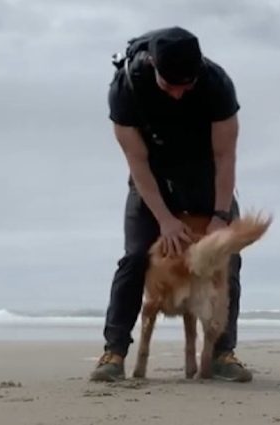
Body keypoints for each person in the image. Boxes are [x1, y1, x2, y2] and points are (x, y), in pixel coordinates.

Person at [90, 26, 252, 383]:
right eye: (170, 86)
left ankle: (224, 352)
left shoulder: (217, 85)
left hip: (205, 176)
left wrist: (221, 215)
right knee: (135, 257)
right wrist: (164, 219)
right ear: (153, 68)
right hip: (153, 178)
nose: (179, 94)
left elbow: (225, 156)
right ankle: (114, 351)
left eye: (186, 85)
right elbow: (137, 162)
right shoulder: (126, 89)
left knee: (228, 258)